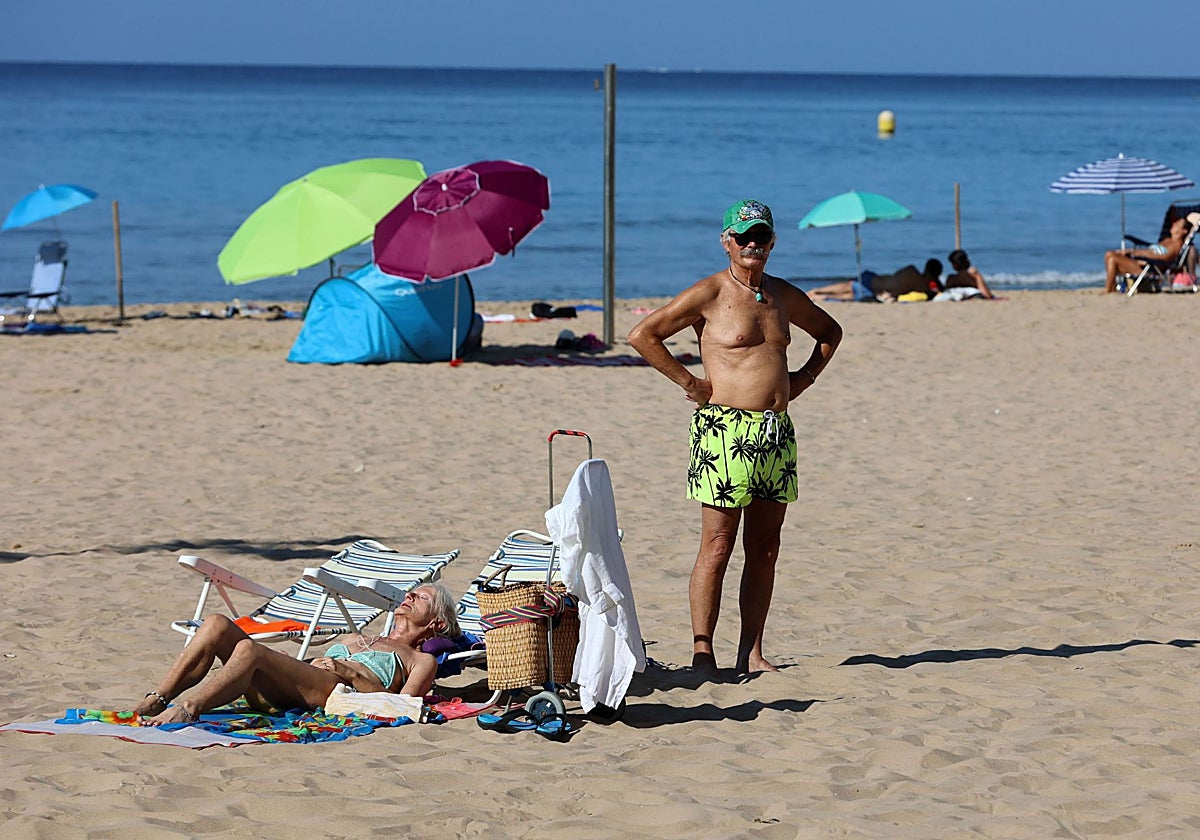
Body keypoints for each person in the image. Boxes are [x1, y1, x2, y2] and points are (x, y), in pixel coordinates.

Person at [627, 199, 842, 675]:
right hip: (725, 430)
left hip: (776, 434)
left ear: (772, 242)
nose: (752, 245)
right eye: (743, 236)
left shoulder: (784, 296)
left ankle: (751, 651)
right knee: (718, 544)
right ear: (726, 240)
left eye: (761, 237)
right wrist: (690, 383)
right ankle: (703, 652)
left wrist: (802, 379)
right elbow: (644, 334)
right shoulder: (709, 293)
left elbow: (830, 331)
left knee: (765, 546)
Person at [133, 582, 460, 725]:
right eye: (412, 593)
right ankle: (159, 697)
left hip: (325, 690)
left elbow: (402, 707)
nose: (410, 597)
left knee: (250, 649)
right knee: (218, 623)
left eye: (422, 598)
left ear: (437, 622)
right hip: (287, 683)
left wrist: (348, 673)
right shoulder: (356, 635)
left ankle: (189, 709)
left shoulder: (420, 660)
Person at [1103, 215, 1191, 294]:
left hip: (1149, 270)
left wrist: (1134, 252)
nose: (1174, 224)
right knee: (1109, 255)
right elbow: (1153, 251)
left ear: (1184, 231)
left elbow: (1162, 257)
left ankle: (1108, 290)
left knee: (1112, 257)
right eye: (1174, 223)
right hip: (1144, 264)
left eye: (1177, 224)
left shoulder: (1176, 244)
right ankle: (1111, 287)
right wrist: (1135, 254)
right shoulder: (1167, 240)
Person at [810, 259, 944, 302]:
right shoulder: (921, 285)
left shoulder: (912, 269)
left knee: (850, 287)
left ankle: (818, 291)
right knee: (851, 292)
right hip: (876, 288)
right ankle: (821, 295)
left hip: (875, 281)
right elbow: (937, 292)